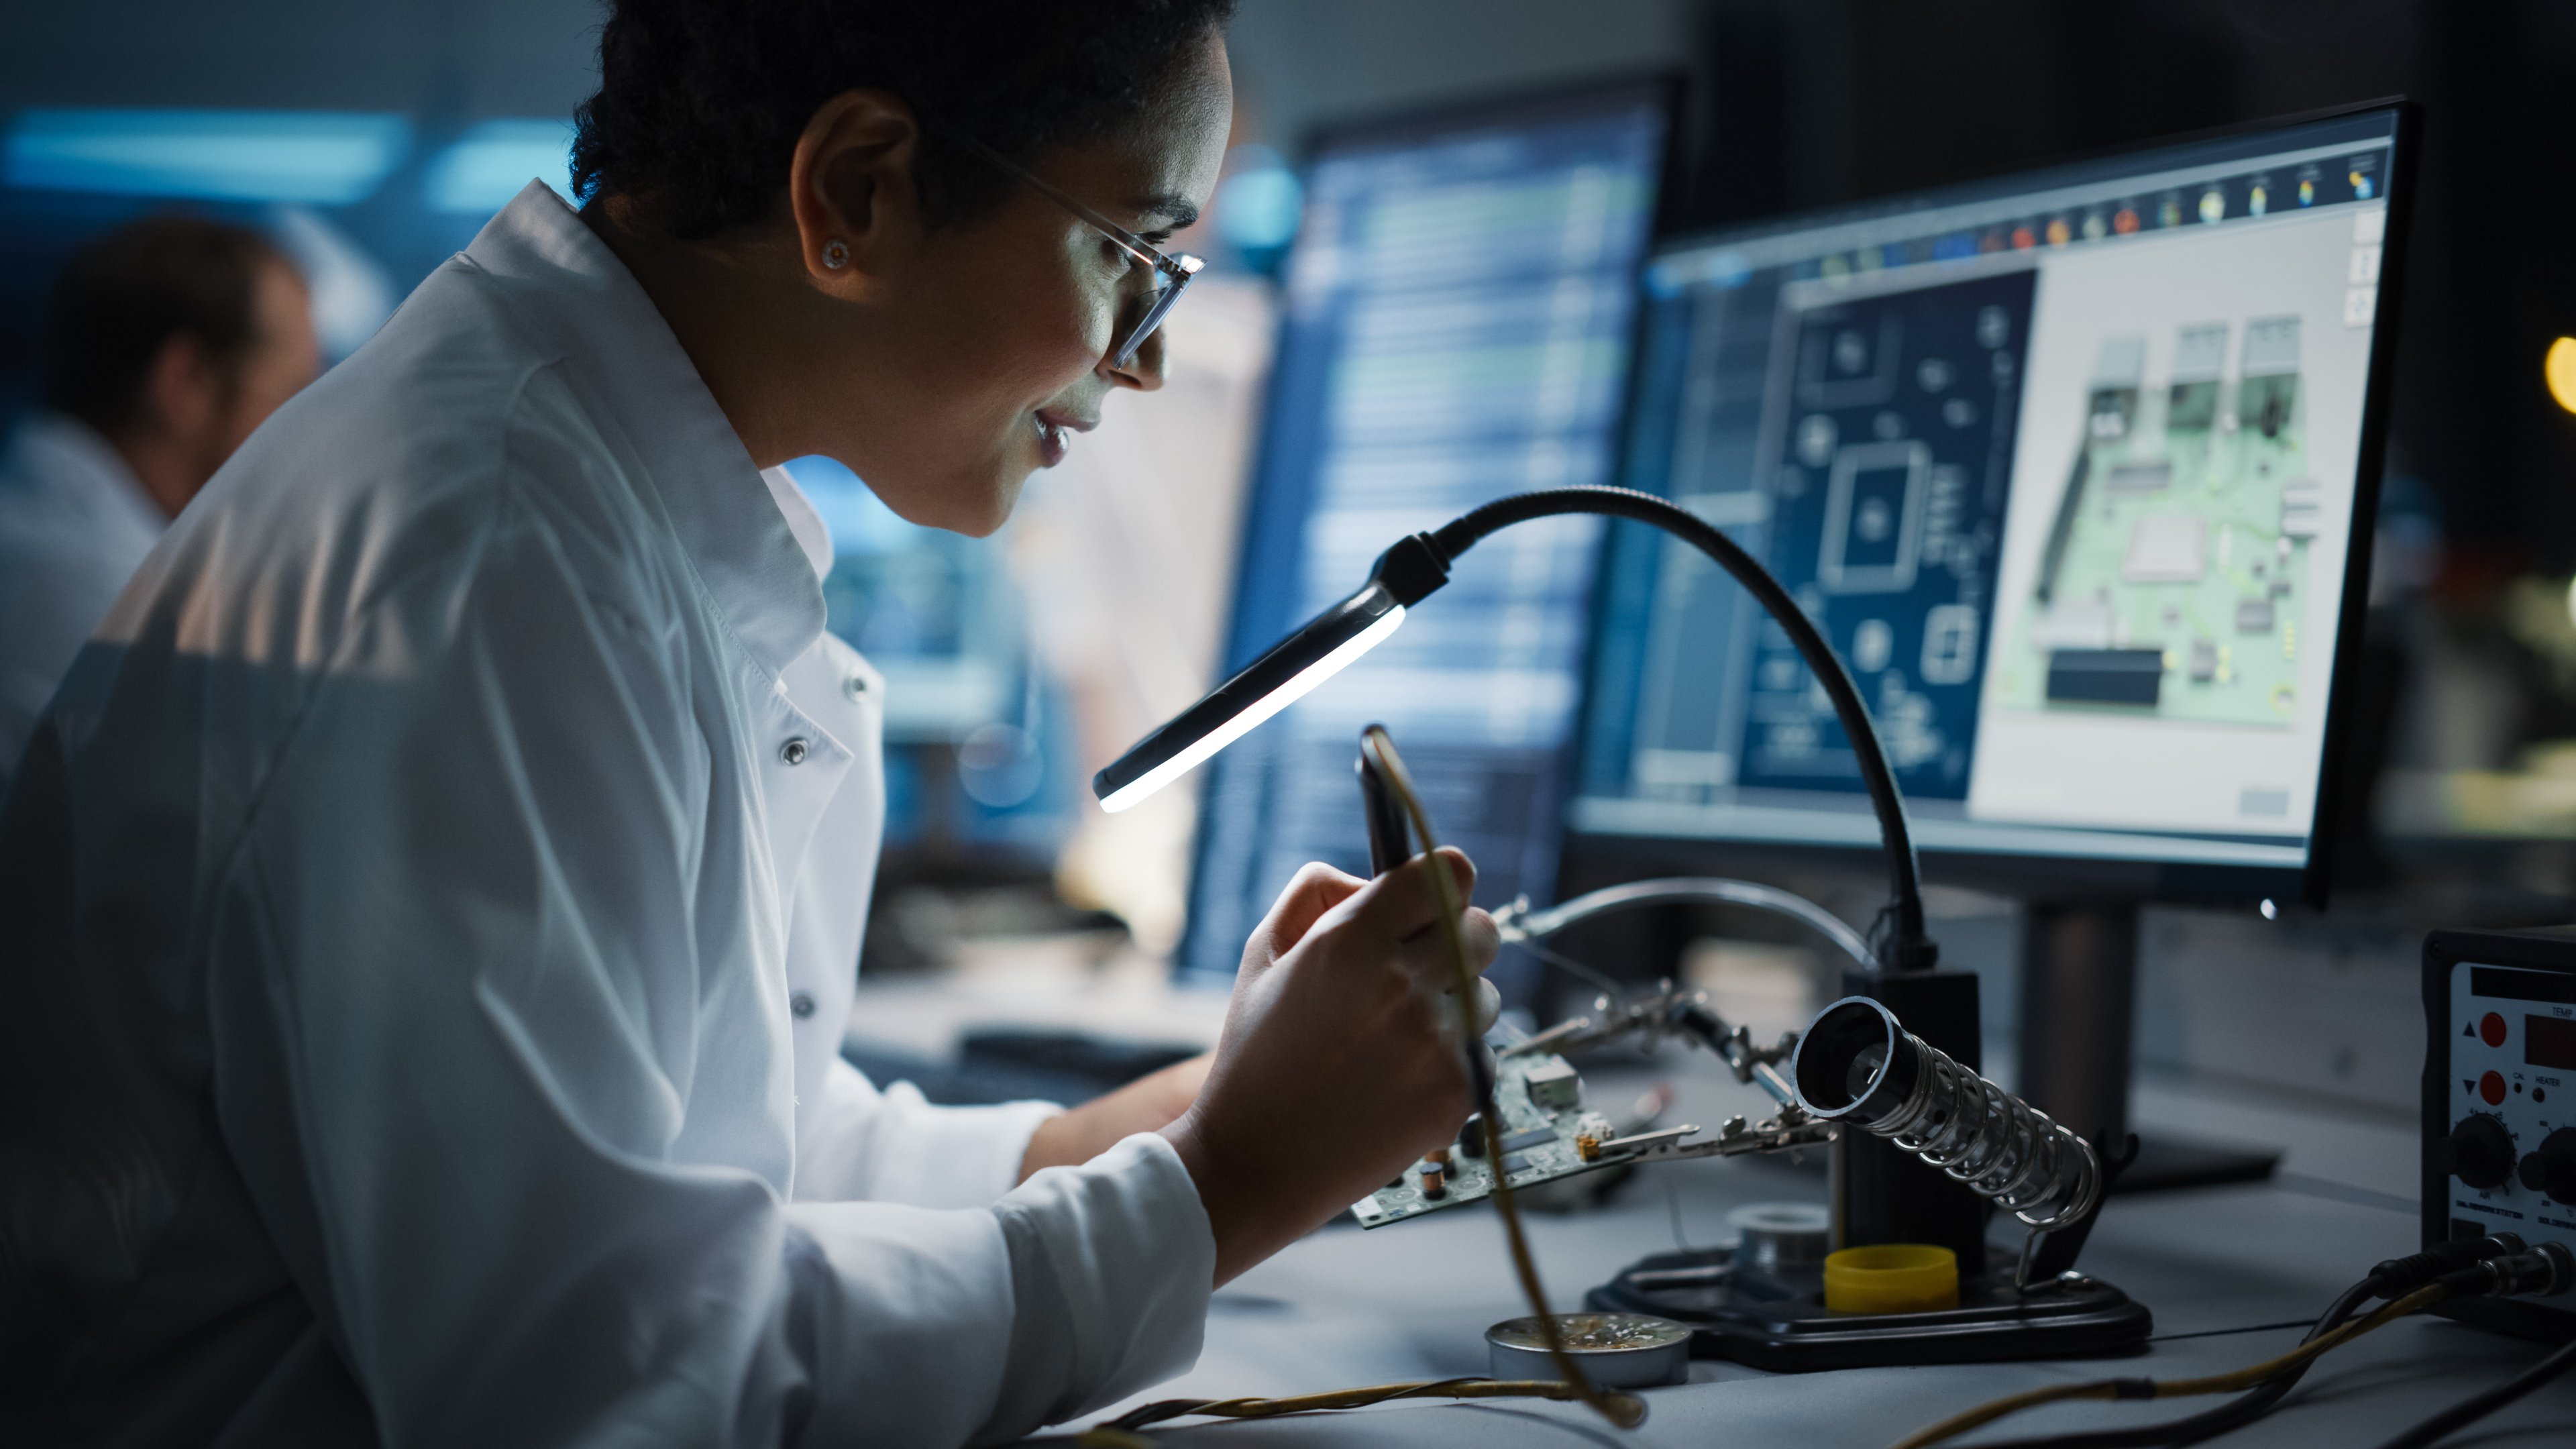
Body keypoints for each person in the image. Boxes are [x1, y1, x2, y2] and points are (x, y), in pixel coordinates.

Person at [0, 5, 1497, 1448]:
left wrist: (1172, 1131)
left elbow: (735, 1158)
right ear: (858, 188)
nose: (1146, 355)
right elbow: (605, 1390)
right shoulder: (490, 556)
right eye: (1132, 254)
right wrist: (1221, 1188)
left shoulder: (602, 494)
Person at [0, 214, 319, 789]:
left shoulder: (42, 531)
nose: (309, 433)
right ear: (186, 382)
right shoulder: (110, 599)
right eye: (292, 393)